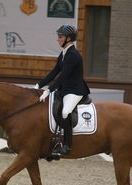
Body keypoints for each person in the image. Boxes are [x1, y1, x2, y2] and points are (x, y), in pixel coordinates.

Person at [34, 24, 90, 155]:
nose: (57, 39)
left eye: (60, 37)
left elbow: (62, 76)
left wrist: (48, 90)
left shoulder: (73, 55)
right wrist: (38, 85)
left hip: (75, 91)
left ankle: (67, 145)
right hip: (64, 89)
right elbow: (54, 72)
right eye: (58, 36)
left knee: (65, 112)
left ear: (69, 38)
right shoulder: (64, 53)